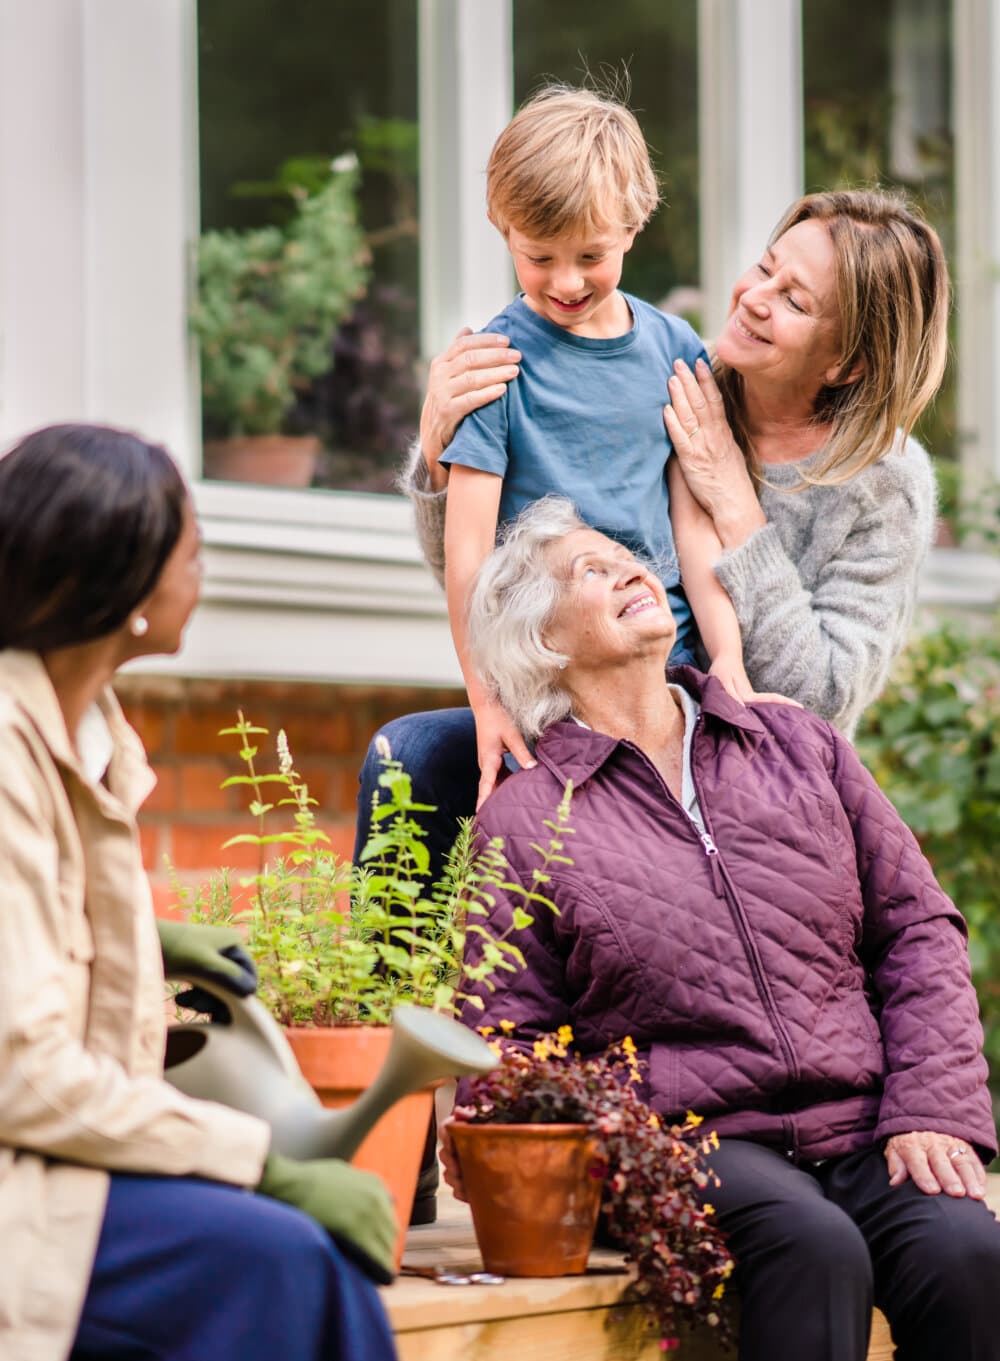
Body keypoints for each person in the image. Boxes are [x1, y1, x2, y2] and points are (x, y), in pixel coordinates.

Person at [442, 497, 1000, 1361]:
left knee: (968, 1252)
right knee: (814, 1249)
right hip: (693, 1140)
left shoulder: (796, 744)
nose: (631, 569)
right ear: (547, 642)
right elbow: (506, 1044)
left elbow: (918, 928)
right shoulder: (524, 822)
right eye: (591, 571)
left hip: (862, 1119)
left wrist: (931, 1107)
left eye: (627, 555)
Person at [358, 187, 946, 895]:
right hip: (582, 696)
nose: (755, 298)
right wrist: (443, 451)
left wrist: (733, 501)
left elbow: (813, 698)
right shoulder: (674, 376)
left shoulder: (884, 482)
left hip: (738, 752)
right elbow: (496, 575)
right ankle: (393, 999)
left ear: (847, 362)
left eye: (794, 301)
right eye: (764, 268)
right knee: (414, 756)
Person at [0, 424, 398, 1361]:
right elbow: (22, 1075)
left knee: (305, 1263)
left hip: (65, 1159)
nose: (202, 571)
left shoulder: (90, 729)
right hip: (26, 1181)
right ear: (126, 584)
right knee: (284, 1260)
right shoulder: (9, 752)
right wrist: (264, 1163)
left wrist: (142, 937)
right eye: (192, 550)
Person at [428, 83, 791, 813]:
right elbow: (467, 558)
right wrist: (487, 700)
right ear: (504, 230)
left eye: (590, 254)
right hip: (553, 680)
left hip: (669, 666)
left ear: (633, 224)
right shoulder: (494, 367)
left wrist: (726, 656)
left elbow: (691, 525)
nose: (565, 280)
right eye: (539, 256)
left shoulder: (674, 353)